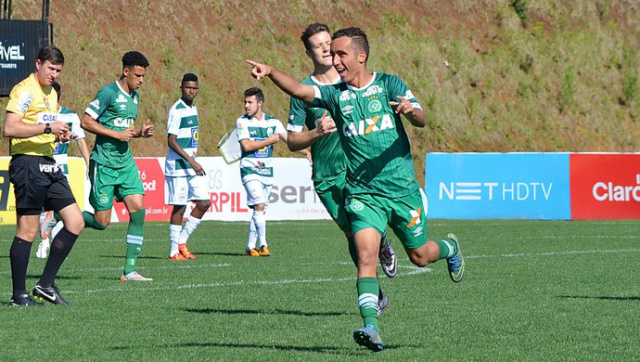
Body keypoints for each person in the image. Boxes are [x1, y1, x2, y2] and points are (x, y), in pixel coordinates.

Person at [247, 27, 465, 352]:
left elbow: (421, 117)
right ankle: (371, 326)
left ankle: (450, 248)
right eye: (331, 54)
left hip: (401, 191)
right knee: (365, 255)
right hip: (363, 194)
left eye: (340, 54)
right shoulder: (336, 95)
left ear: (361, 56)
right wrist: (272, 72)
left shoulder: (390, 84)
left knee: (420, 257)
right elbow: (302, 92)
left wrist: (410, 111)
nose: (334, 61)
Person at [288, 23, 398, 279]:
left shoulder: (353, 80)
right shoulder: (303, 92)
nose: (326, 49)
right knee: (350, 233)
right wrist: (316, 132)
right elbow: (292, 141)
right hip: (326, 176)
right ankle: (375, 286)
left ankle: (378, 247)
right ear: (308, 53)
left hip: (356, 170)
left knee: (361, 225)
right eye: (318, 46)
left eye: (328, 43)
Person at [3, 45, 84, 307]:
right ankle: (18, 296)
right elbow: (9, 128)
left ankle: (45, 285)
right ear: (38, 64)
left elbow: (42, 127)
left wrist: (58, 133)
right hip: (27, 163)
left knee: (75, 222)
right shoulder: (24, 90)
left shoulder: (50, 93)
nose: (54, 74)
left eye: (58, 71)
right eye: (50, 68)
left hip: (48, 163)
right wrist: (49, 126)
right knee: (27, 232)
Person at [80, 51, 155, 282]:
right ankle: (67, 215)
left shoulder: (135, 98)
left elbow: (126, 132)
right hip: (103, 163)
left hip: (125, 164)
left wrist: (140, 134)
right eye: (138, 75)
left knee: (139, 212)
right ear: (126, 71)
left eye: (144, 76)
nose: (141, 80)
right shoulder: (108, 92)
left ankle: (129, 270)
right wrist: (115, 134)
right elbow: (85, 121)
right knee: (102, 223)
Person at [236, 87, 307, 256]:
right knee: (259, 204)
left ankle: (249, 247)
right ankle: (263, 245)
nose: (246, 105)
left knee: (259, 209)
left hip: (266, 172)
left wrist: (307, 152)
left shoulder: (273, 122)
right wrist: (268, 140)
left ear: (260, 103)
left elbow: (290, 142)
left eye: (250, 102)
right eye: (245, 102)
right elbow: (246, 146)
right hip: (249, 169)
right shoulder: (242, 122)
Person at [37, 81, 91, 259]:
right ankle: (44, 241)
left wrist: (88, 163)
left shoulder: (70, 116)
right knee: (44, 206)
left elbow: (81, 141)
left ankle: (53, 240)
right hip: (40, 165)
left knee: (62, 207)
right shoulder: (40, 116)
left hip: (61, 168)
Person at [164, 73, 211, 260]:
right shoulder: (177, 110)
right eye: (188, 87)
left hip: (191, 166)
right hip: (178, 166)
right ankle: (173, 251)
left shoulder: (193, 108)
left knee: (204, 202)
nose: (191, 91)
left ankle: (182, 241)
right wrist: (191, 161)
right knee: (179, 207)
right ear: (181, 88)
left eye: (194, 88)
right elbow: (171, 141)